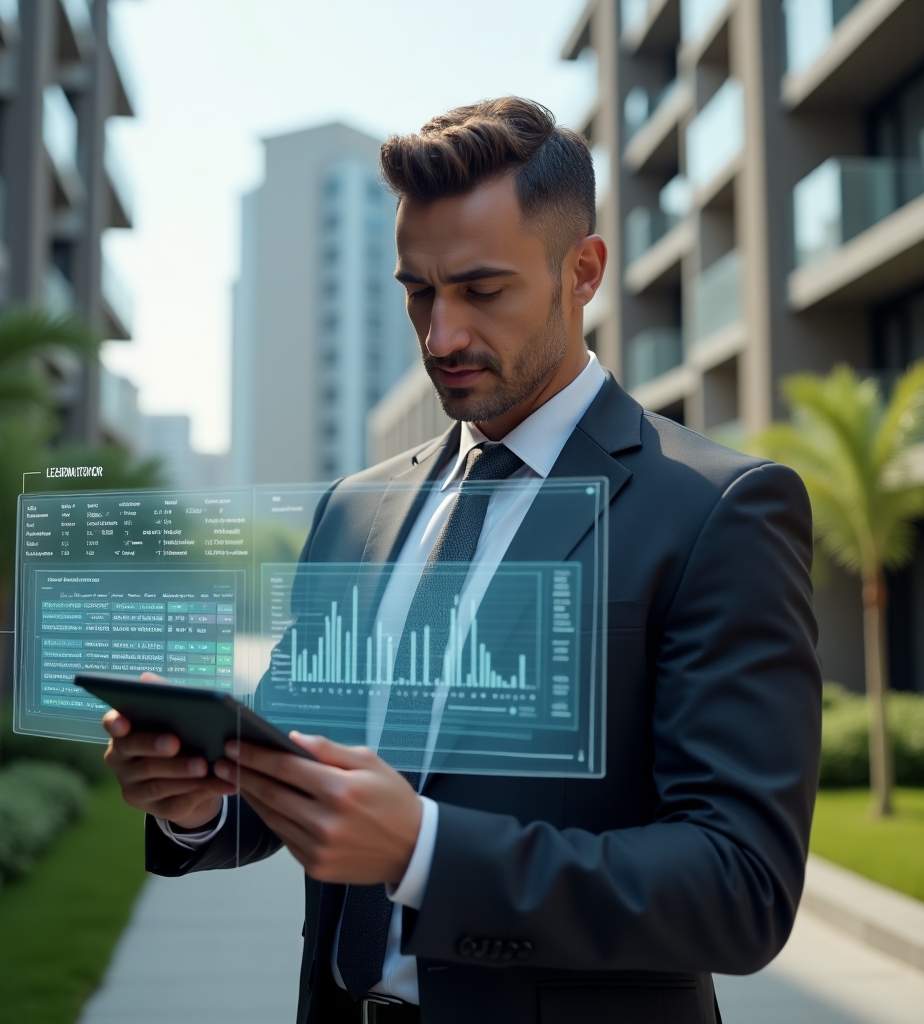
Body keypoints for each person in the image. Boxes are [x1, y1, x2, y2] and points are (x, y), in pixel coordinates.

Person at [102, 98, 821, 1024]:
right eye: (417, 292)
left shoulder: (716, 510)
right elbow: (286, 772)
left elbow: (740, 885)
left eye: (481, 291)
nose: (440, 336)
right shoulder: (355, 511)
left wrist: (426, 852)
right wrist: (193, 801)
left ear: (584, 271)